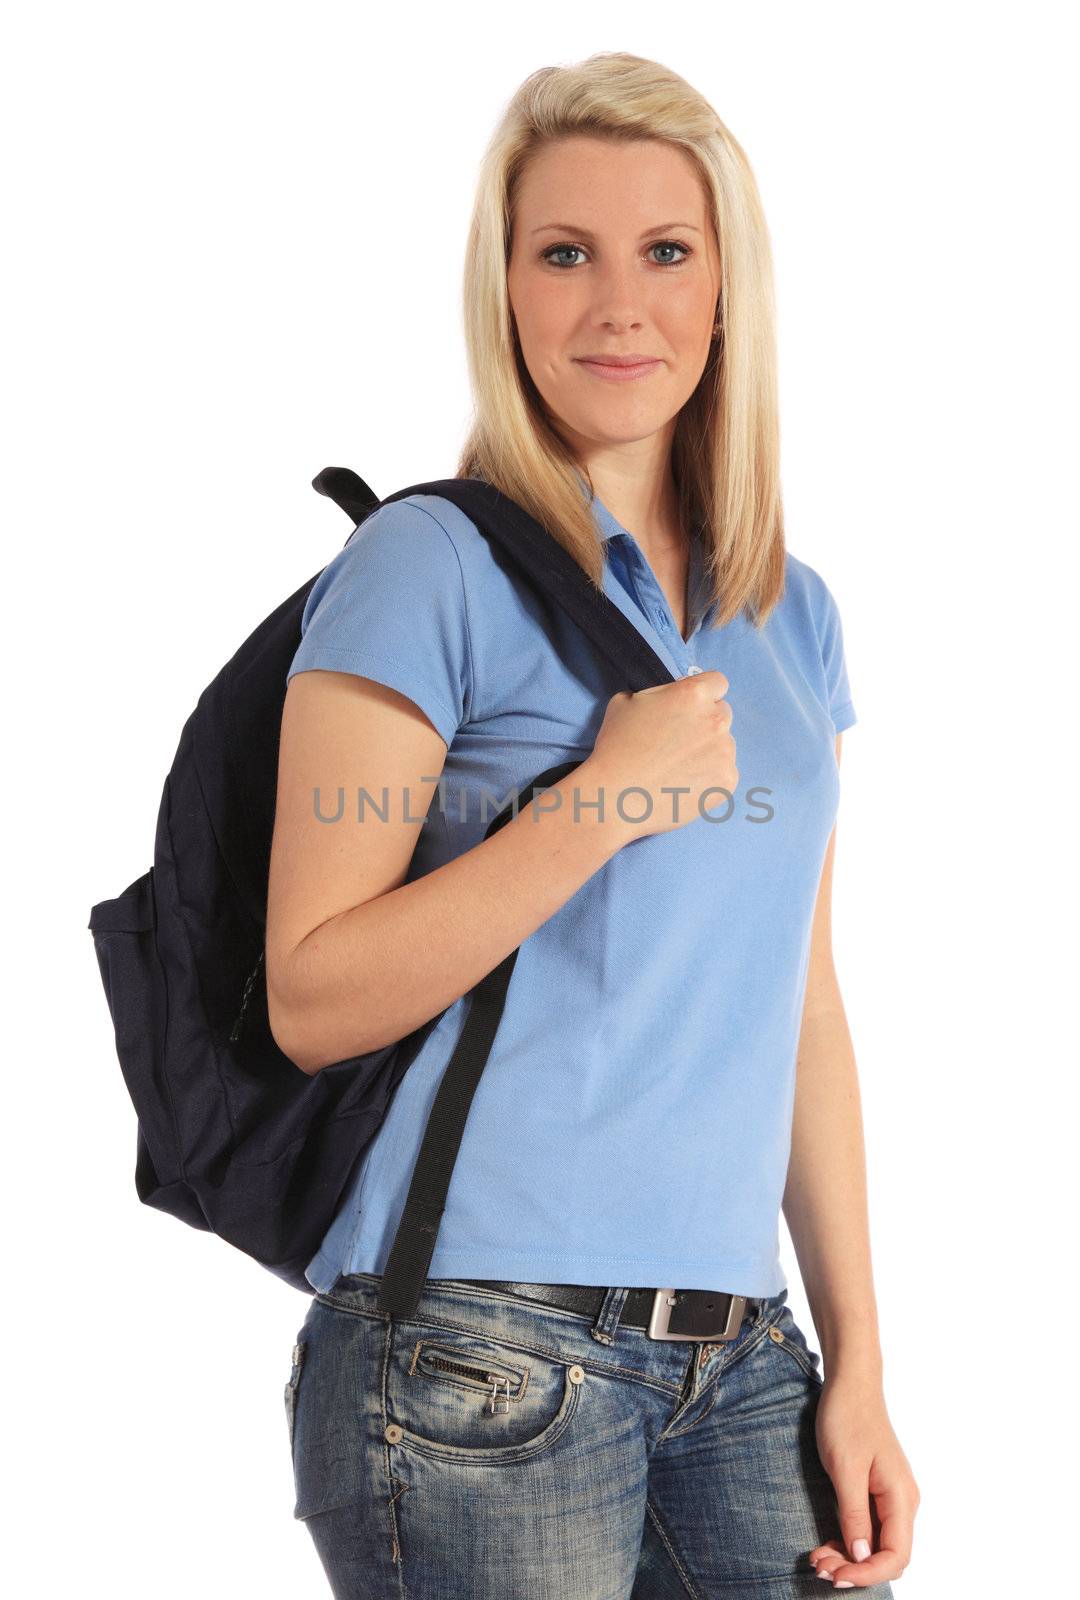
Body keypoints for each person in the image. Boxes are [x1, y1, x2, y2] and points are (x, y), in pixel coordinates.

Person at [266, 49, 918, 1600]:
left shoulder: (789, 615)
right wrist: (597, 808)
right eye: (565, 253)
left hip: (743, 1362)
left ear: (724, 293)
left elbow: (801, 1004)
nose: (618, 305)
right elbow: (310, 994)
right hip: (473, 1354)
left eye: (665, 253)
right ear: (504, 290)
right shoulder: (428, 566)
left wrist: (862, 1366)